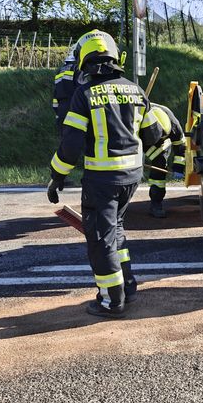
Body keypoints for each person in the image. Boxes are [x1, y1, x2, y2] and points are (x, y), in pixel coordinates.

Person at [47, 29, 149, 318]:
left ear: (84, 60)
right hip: (132, 177)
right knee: (116, 231)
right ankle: (127, 286)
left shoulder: (84, 94)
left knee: (100, 240)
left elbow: (71, 144)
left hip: (102, 180)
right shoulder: (135, 89)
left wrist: (57, 175)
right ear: (115, 57)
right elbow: (152, 132)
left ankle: (111, 301)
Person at [139, 102, 186, 218]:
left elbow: (180, 146)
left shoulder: (173, 125)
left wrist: (178, 167)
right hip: (137, 138)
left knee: (159, 166)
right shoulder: (135, 118)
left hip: (160, 144)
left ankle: (156, 202)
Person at [51, 45, 79, 133]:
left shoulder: (60, 70)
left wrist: (58, 113)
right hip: (75, 113)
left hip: (61, 113)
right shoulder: (78, 69)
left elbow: (55, 97)